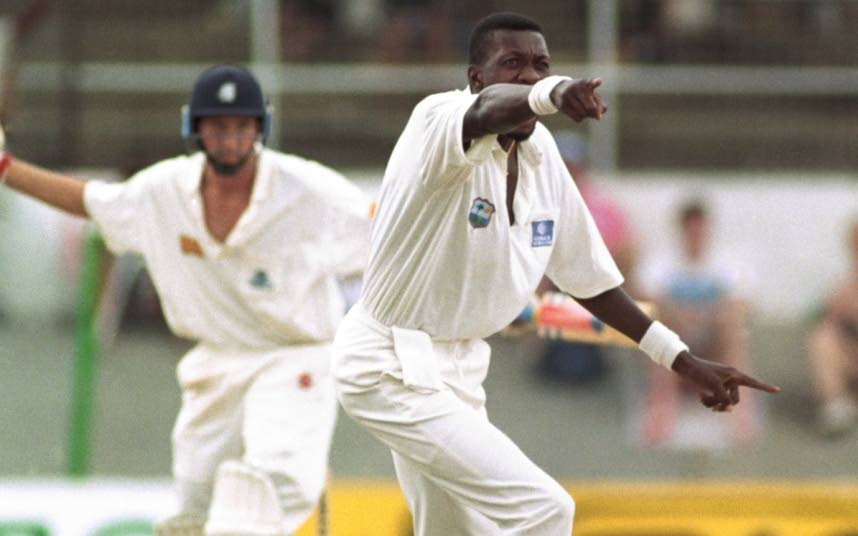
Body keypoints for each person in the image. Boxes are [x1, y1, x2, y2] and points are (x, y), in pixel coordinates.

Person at [331, 11, 779, 536]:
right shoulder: (438, 119)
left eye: (540, 66)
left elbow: (593, 283)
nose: (528, 75)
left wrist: (679, 358)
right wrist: (551, 94)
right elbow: (486, 112)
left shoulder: (544, 158)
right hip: (388, 362)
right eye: (511, 64)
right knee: (546, 509)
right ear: (476, 77)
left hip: (461, 370)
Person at [0, 64, 372, 535]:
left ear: (260, 127)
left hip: (293, 357)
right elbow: (93, 201)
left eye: (242, 126)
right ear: (195, 128)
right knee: (195, 507)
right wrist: (6, 169)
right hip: (213, 365)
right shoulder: (164, 191)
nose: (231, 139)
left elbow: (394, 242)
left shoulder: (311, 191)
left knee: (265, 488)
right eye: (218, 127)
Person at [635, 199, 760, 453]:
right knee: (662, 327)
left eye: (700, 230)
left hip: (714, 344)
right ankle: (662, 406)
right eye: (691, 230)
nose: (695, 236)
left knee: (731, 324)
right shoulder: (660, 264)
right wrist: (678, 313)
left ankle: (741, 409)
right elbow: (643, 299)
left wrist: (707, 315)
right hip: (675, 347)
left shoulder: (728, 264)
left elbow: (743, 303)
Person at [534, 132, 639, 382]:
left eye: (574, 167)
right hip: (557, 283)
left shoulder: (602, 207)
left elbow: (627, 250)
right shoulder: (538, 205)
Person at [806, 216, 858, 438]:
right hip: (850, 361)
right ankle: (836, 405)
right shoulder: (844, 286)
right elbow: (822, 318)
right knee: (822, 338)